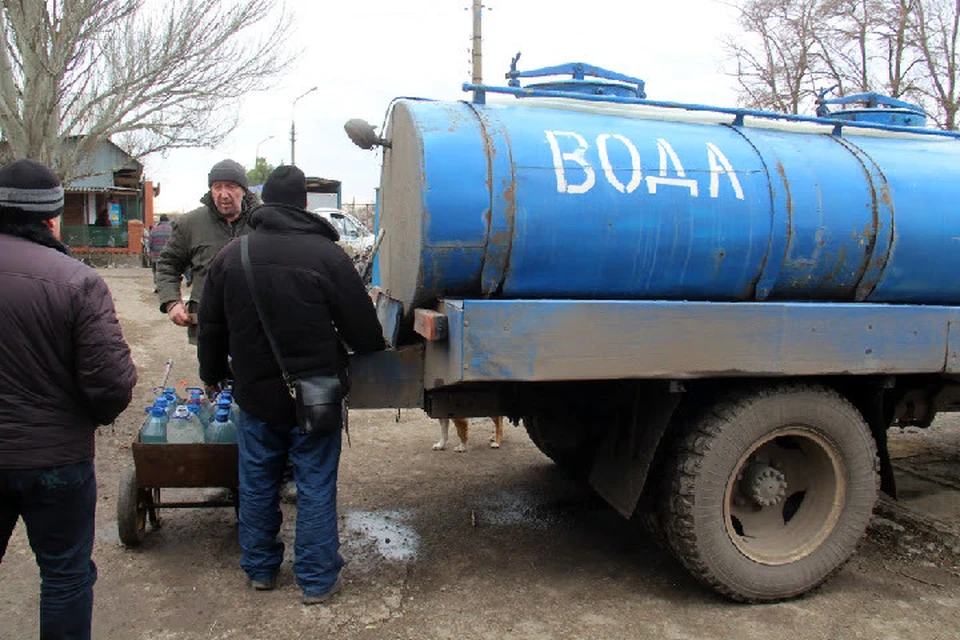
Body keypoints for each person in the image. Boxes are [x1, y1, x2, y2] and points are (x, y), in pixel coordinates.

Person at [198, 165, 385, 604]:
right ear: (305, 204)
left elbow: (210, 328)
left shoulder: (233, 255)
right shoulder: (328, 257)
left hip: (256, 397)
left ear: (259, 203)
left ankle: (261, 570)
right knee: (316, 485)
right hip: (315, 399)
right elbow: (365, 335)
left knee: (258, 483)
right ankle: (317, 581)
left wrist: (212, 375)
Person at [0, 159, 137, 639]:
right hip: (56, 460)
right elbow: (112, 383)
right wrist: (90, 416)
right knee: (63, 577)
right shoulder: (77, 281)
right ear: (52, 218)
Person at [155, 159, 257, 345]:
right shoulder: (190, 224)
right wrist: (172, 302)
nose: (223, 194)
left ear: (243, 190)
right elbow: (168, 264)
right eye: (217, 187)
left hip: (255, 325)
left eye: (230, 187)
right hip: (208, 326)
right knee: (213, 374)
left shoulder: (262, 221)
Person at [147, 214, 173, 279]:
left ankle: (158, 285)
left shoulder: (154, 230)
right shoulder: (173, 230)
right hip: (170, 258)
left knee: (157, 274)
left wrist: (150, 252)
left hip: (156, 258)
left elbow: (149, 244)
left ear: (160, 221)